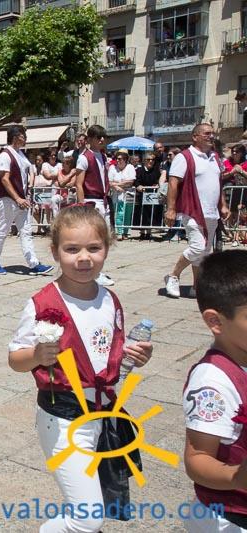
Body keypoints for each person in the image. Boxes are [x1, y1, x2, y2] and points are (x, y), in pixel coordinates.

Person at [8, 204, 153, 533]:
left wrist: (134, 355)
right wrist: (37, 355)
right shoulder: (42, 303)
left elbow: (108, 354)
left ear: (107, 247)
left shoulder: (110, 300)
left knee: (91, 504)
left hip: (104, 414)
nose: (83, 257)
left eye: (94, 248)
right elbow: (15, 358)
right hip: (62, 418)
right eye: (72, 249)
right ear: (55, 252)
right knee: (88, 517)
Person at [182, 250, 247, 533]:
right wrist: (236, 477)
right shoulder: (213, 382)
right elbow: (197, 459)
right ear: (216, 321)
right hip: (229, 518)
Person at [164, 123, 229, 299]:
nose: (211, 136)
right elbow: (173, 183)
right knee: (197, 247)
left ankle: (196, 287)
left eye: (212, 133)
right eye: (207, 133)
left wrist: (222, 204)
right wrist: (171, 209)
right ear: (195, 136)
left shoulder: (215, 158)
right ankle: (173, 275)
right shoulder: (184, 157)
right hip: (191, 209)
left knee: (204, 252)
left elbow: (218, 183)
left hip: (211, 212)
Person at [0, 125, 53, 276]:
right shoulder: (5, 155)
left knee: (26, 231)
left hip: (21, 200)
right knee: (3, 230)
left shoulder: (20, 154)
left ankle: (33, 264)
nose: (26, 138)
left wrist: (25, 194)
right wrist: (17, 198)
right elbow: (4, 179)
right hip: (8, 200)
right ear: (16, 136)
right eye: (23, 136)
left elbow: (27, 174)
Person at [75, 125, 115, 287]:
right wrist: (82, 206)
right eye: (99, 137)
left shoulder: (103, 157)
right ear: (90, 139)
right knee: (94, 239)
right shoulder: (84, 157)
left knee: (104, 239)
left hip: (103, 201)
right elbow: (79, 184)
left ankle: (97, 270)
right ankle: (94, 272)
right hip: (92, 201)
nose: (102, 140)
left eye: (103, 137)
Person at [108, 149, 136, 240]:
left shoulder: (130, 167)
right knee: (119, 213)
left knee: (127, 213)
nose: (118, 160)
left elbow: (130, 181)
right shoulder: (113, 168)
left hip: (128, 194)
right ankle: (119, 232)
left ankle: (125, 232)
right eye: (117, 158)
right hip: (117, 194)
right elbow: (109, 182)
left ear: (125, 159)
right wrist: (116, 186)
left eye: (120, 159)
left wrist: (116, 184)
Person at [134, 152, 162, 240]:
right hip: (142, 194)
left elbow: (158, 180)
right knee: (142, 213)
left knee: (151, 213)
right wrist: (138, 186)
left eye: (152, 160)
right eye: (149, 159)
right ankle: (142, 232)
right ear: (144, 161)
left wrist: (157, 184)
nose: (151, 161)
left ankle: (149, 232)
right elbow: (136, 181)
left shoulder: (156, 171)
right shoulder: (139, 170)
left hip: (152, 195)